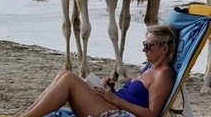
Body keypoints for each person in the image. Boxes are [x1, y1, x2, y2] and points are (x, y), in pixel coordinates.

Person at [21, 24, 178, 117]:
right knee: (63, 74)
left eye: (149, 45)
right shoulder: (150, 68)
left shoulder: (162, 75)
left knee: (69, 78)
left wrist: (115, 99)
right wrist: (111, 90)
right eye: (144, 44)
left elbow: (152, 114)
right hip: (113, 105)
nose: (144, 49)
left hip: (117, 112)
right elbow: (134, 97)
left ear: (164, 48)